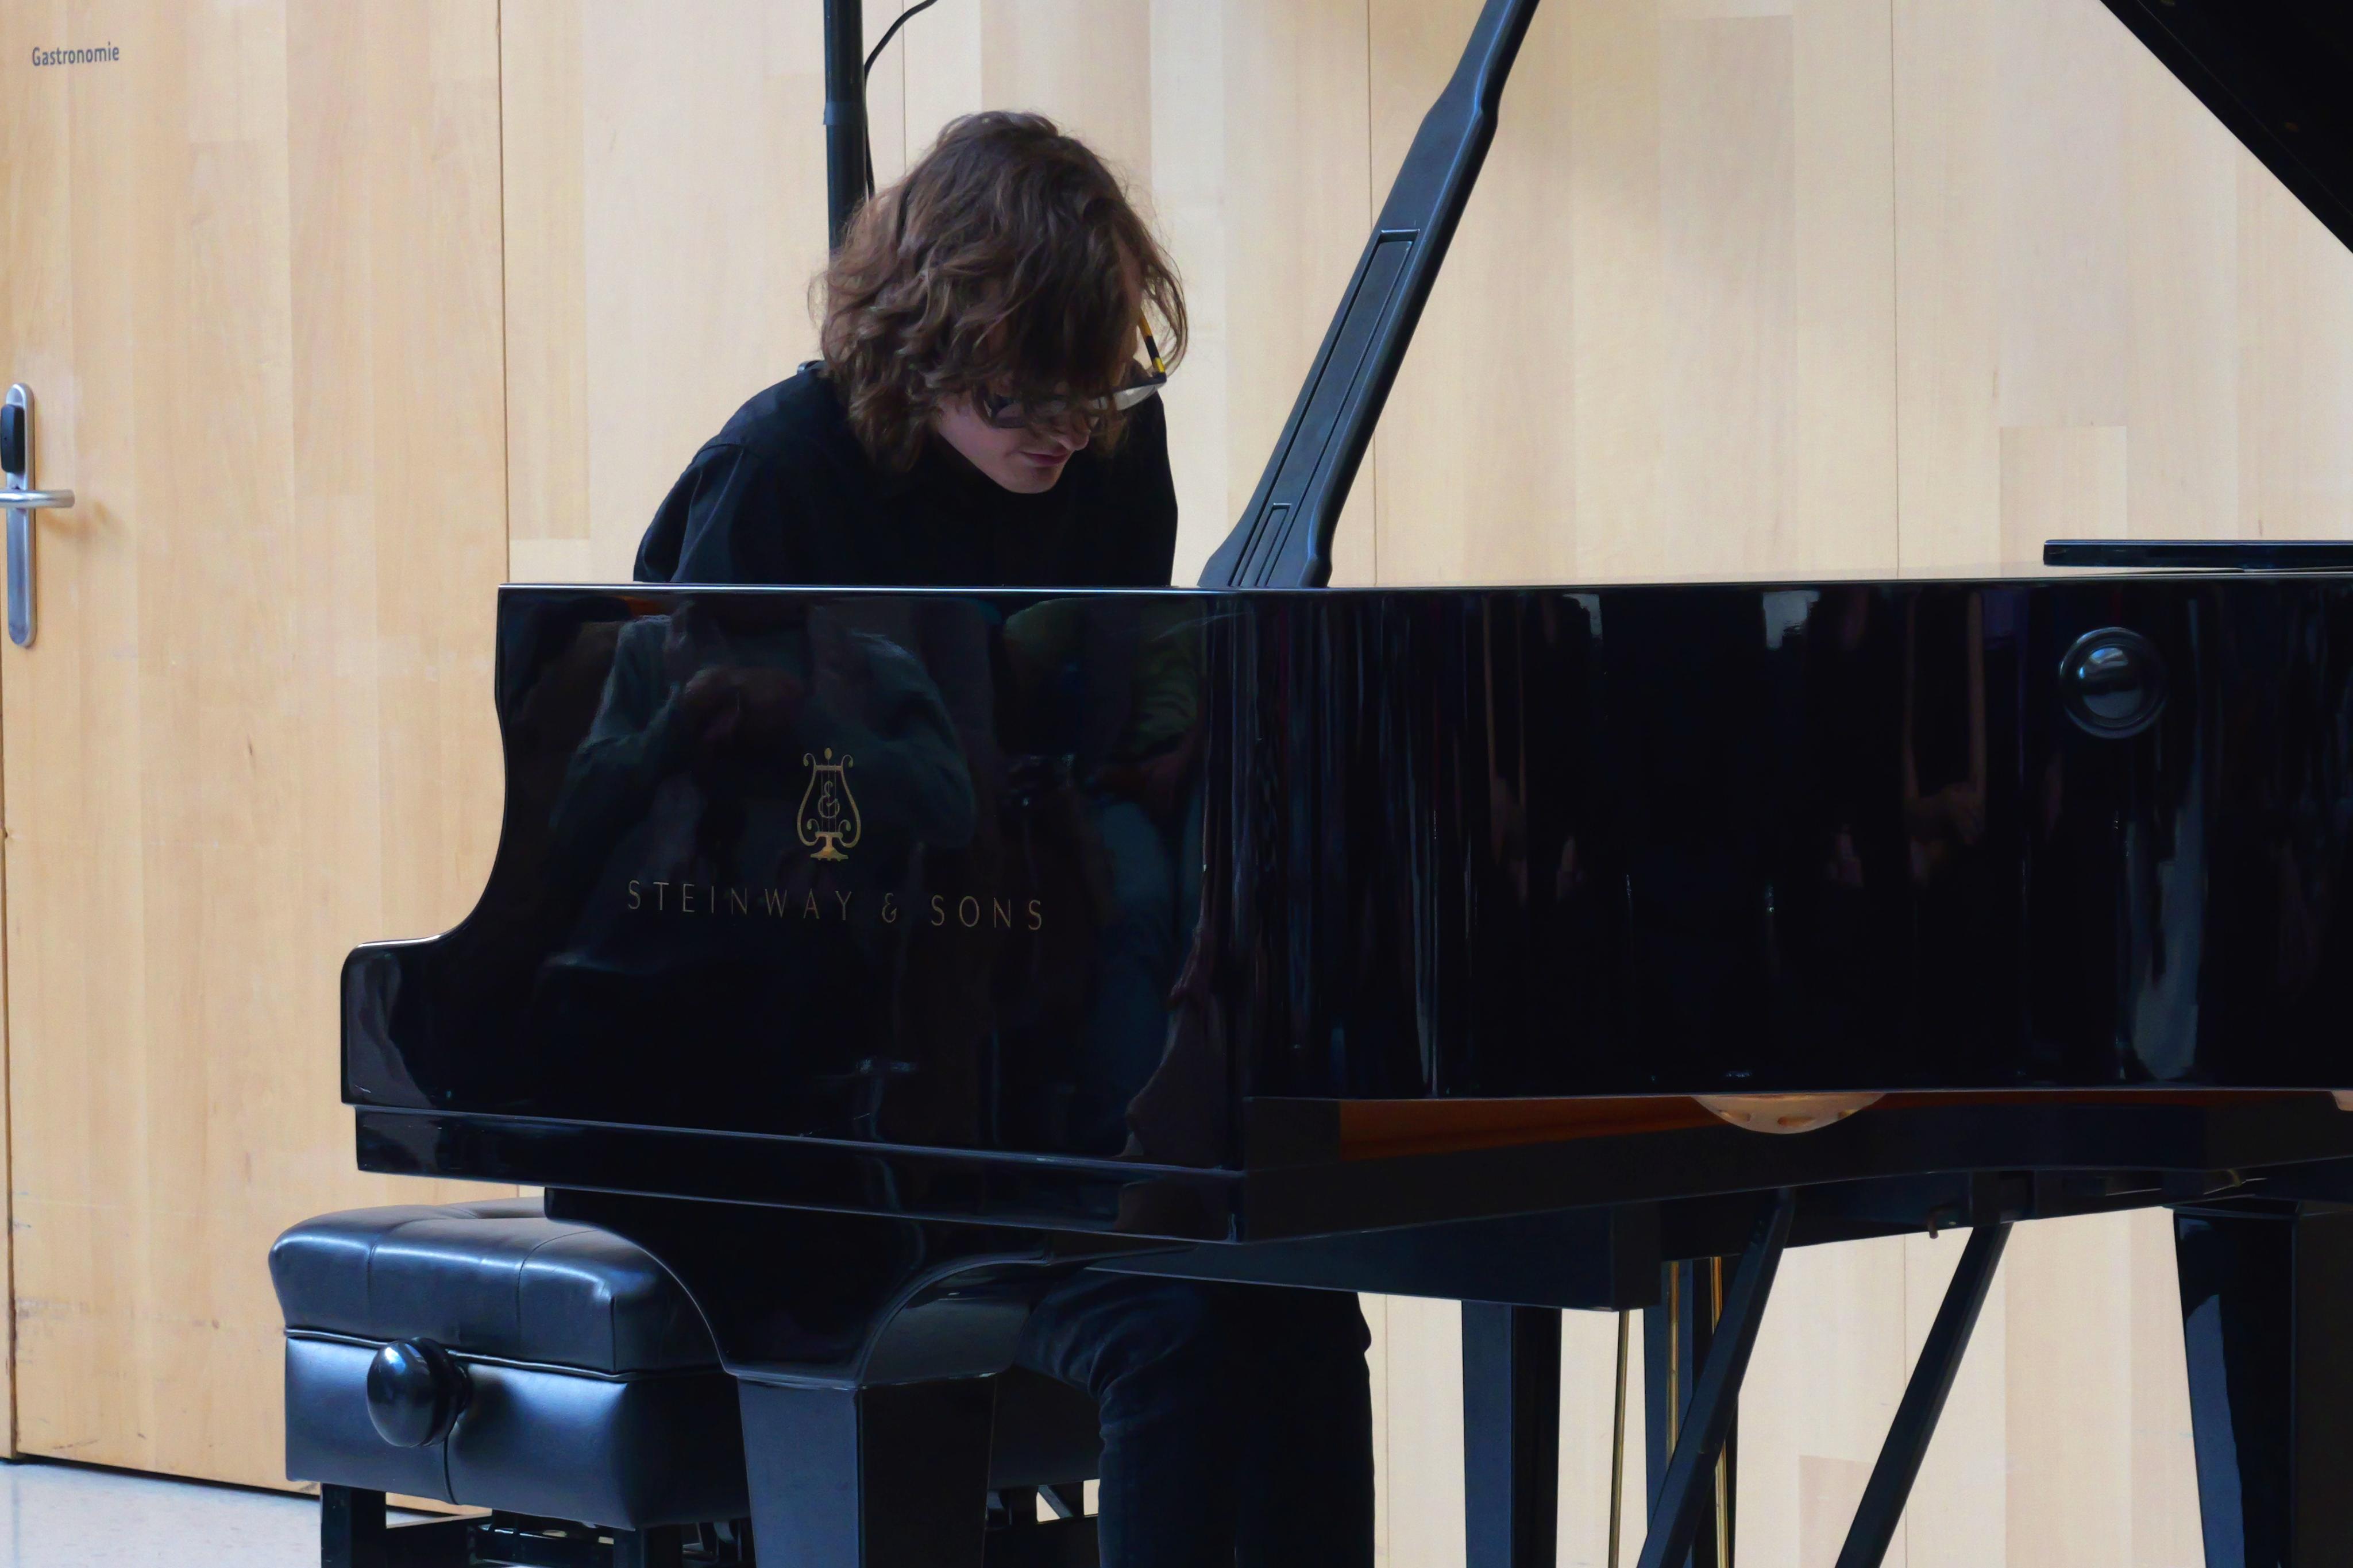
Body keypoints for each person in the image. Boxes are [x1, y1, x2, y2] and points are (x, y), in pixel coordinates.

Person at [635, 111, 1374, 1568]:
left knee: (1300, 1302)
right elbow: (693, 855)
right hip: (809, 1116)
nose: (1068, 432)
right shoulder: (777, 479)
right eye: (1028, 396)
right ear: (922, 340)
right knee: (1173, 1333)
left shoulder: (1107, 465)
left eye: (1095, 393)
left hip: (1032, 1069)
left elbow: (1095, 772)